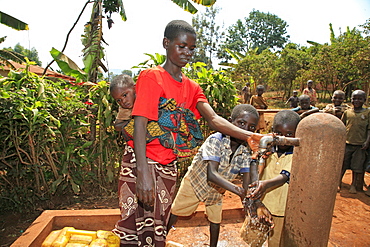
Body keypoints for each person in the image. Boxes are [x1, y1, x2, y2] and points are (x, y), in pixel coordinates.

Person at [112, 20, 264, 247]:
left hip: (167, 167)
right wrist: (143, 173)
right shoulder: (152, 77)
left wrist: (250, 137)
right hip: (140, 162)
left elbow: (213, 119)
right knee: (133, 223)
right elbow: (140, 123)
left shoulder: (192, 87)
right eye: (181, 46)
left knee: (158, 226)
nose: (187, 53)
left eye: (191, 48)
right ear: (166, 43)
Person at [167, 104, 272, 247]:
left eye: (251, 127)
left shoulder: (246, 150)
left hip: (217, 190)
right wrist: (240, 192)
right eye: (241, 123)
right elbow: (212, 175)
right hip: (195, 183)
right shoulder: (216, 139)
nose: (245, 130)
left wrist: (252, 199)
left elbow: (247, 182)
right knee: (175, 212)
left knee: (215, 222)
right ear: (230, 123)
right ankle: (161, 238)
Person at [247, 110, 300, 247]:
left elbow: (284, 177)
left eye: (289, 134)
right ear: (272, 132)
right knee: (253, 241)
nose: (283, 138)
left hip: (281, 209)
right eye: (279, 133)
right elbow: (255, 168)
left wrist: (264, 184)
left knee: (276, 243)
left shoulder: (298, 154)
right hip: (262, 204)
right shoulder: (267, 149)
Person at [339, 89, 370, 194]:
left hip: (360, 145)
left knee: (357, 167)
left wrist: (367, 142)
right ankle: (338, 182)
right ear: (350, 99)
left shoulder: (367, 113)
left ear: (364, 100)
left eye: (359, 99)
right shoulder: (347, 113)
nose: (356, 101)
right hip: (347, 143)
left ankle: (353, 185)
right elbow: (342, 127)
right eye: (354, 98)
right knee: (343, 164)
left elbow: (369, 129)